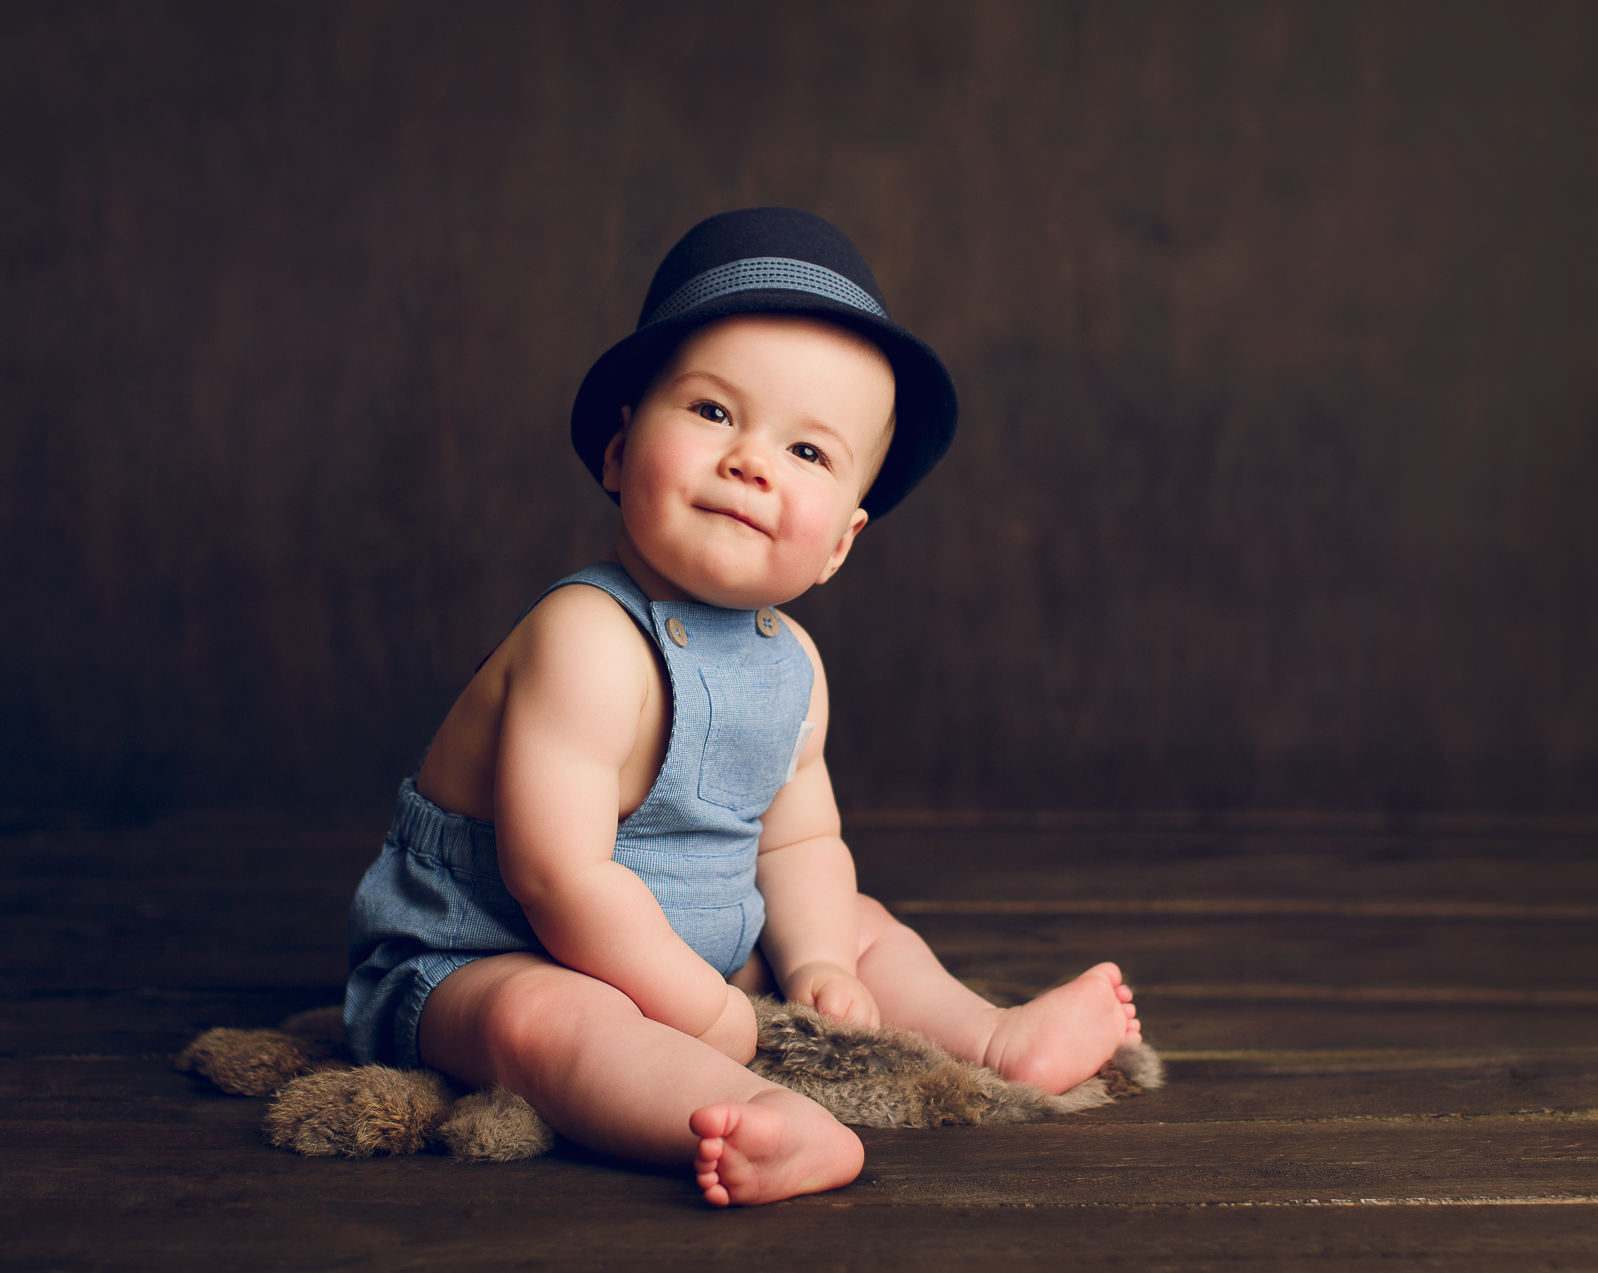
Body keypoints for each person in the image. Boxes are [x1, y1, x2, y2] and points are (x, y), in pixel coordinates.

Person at [343, 209, 1141, 1206]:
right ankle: (747, 1114)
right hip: (484, 952)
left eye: (808, 452)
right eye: (713, 413)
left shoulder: (792, 664)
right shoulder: (583, 639)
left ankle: (993, 1037)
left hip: (696, 943)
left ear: (840, 542)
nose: (752, 461)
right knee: (547, 1023)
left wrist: (812, 961)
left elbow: (799, 848)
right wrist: (710, 1016)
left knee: (857, 921)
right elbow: (557, 879)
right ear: (616, 450)